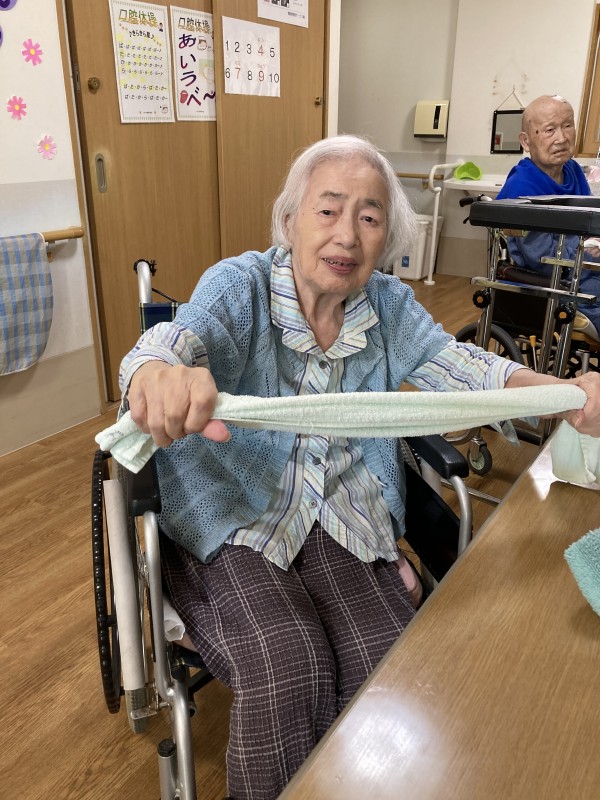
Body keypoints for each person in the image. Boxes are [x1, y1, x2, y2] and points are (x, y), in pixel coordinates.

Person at [121, 134, 600, 800]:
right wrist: (157, 372)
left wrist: (568, 391)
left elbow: (463, 367)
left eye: (369, 217)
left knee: (391, 669)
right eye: (328, 210)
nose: (347, 234)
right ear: (289, 220)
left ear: (386, 237)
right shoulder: (240, 286)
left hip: (343, 516)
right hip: (234, 516)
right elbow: (174, 340)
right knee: (288, 667)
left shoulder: (388, 305)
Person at [496, 94, 600, 341]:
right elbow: (541, 259)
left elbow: (591, 223)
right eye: (550, 130)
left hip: (583, 271)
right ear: (526, 141)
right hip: (552, 282)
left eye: (567, 125)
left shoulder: (573, 171)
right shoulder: (523, 185)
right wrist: (589, 249)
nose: (561, 138)